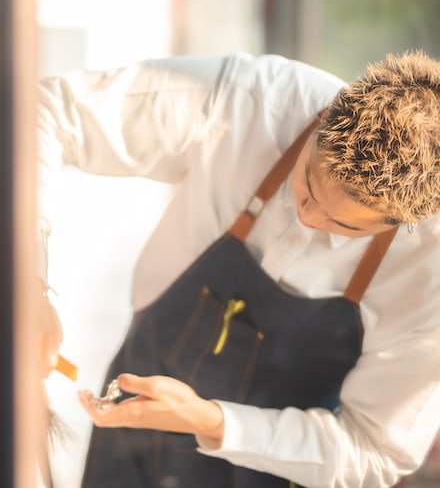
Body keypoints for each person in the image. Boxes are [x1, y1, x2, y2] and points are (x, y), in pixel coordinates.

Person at [37, 51, 440, 487]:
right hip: (132, 428)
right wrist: (28, 281)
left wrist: (212, 421)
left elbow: (374, 450)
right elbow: (48, 111)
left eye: (342, 225)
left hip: (286, 469)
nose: (307, 217)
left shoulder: (428, 272)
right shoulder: (254, 101)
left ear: (406, 222)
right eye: (307, 183)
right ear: (325, 115)